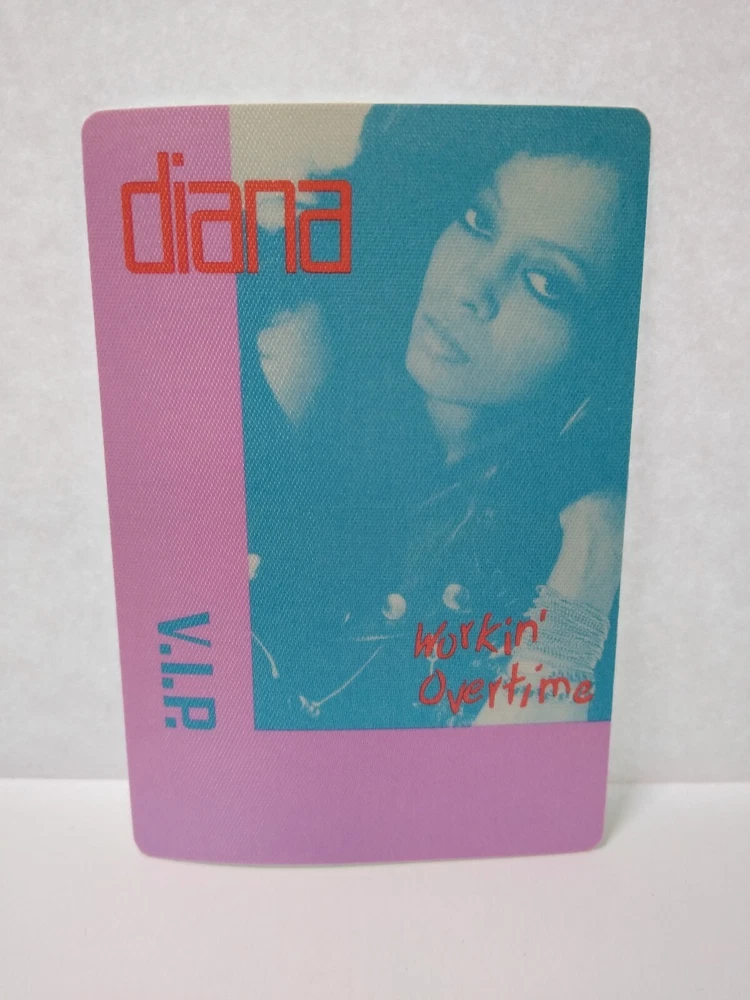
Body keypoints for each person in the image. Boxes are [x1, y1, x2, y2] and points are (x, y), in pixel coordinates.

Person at [238, 105, 650, 731]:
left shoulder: (586, 545)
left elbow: (524, 781)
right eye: (479, 221)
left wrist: (586, 577)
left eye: (545, 281)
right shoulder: (295, 361)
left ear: (604, 348)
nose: (472, 287)